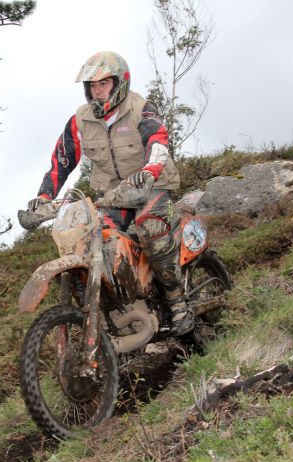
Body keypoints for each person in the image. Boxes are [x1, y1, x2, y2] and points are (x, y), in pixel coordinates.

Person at [27, 51, 190, 333]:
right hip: (114, 194)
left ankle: (177, 300)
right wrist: (44, 197)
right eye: (92, 85)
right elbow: (61, 161)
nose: (97, 90)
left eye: (103, 84)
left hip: (153, 184)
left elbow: (158, 139)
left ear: (119, 83)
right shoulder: (80, 120)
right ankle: (119, 305)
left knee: (150, 227)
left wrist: (150, 170)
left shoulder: (141, 108)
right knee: (92, 237)